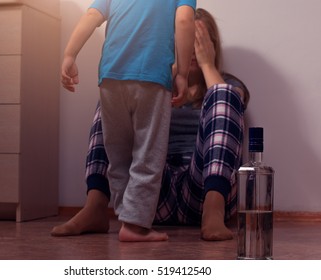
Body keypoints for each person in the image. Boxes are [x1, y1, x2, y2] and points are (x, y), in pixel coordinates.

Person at [53, 8, 250, 241]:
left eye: (201, 42)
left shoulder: (228, 83)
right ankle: (95, 206)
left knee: (223, 93)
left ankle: (213, 213)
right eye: (188, 39)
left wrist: (207, 64)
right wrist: (169, 73)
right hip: (151, 193)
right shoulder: (156, 84)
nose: (194, 49)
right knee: (114, 95)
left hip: (202, 188)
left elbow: (235, 102)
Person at [61, 1, 196, 242]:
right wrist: (183, 73)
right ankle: (135, 226)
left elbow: (91, 16)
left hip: (110, 77)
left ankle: (126, 216)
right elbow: (185, 20)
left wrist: (70, 55)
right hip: (152, 77)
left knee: (118, 154)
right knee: (148, 153)